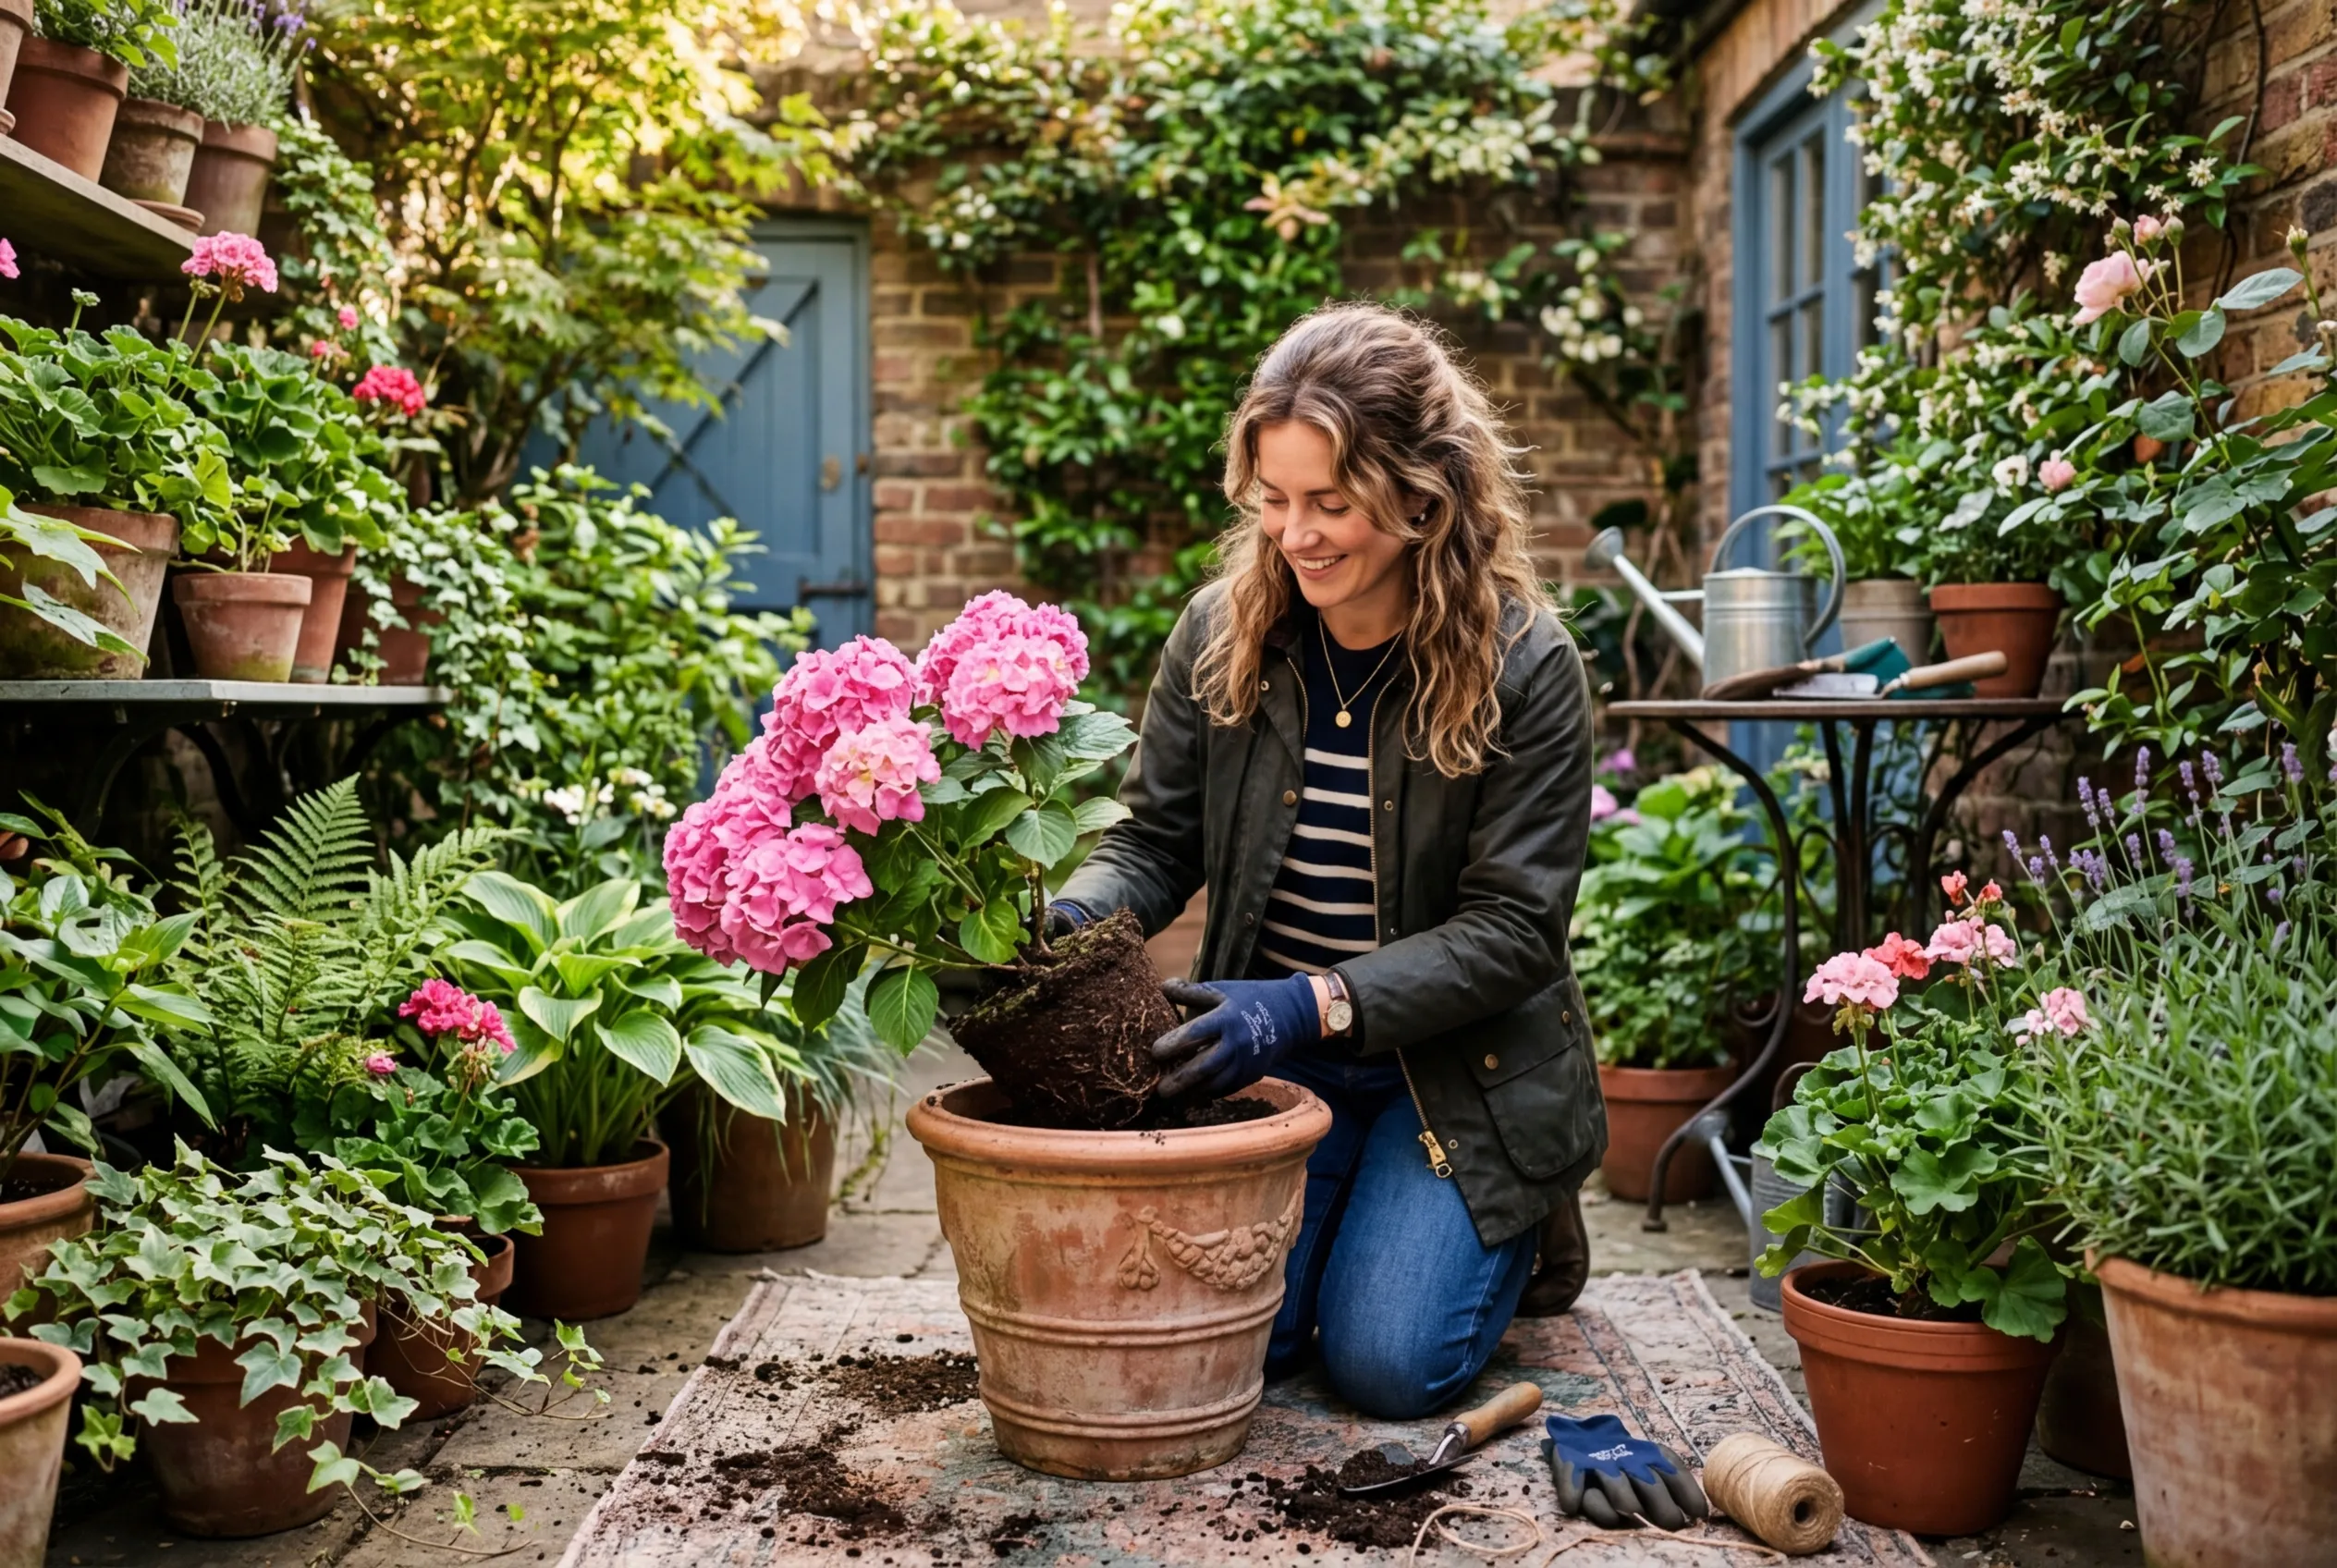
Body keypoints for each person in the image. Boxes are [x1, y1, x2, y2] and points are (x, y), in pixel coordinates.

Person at [1052, 302, 1603, 1420]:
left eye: (1330, 503)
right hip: (1277, 1067)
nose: (1295, 534)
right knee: (1240, 1341)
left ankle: (1514, 1222)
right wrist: (1072, 920)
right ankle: (1363, 1218)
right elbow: (1156, 837)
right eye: (1273, 501)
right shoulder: (1225, 634)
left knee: (1385, 1367)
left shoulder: (1524, 665)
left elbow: (1511, 932)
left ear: (1419, 492)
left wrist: (1307, 1006)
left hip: (1449, 1076)